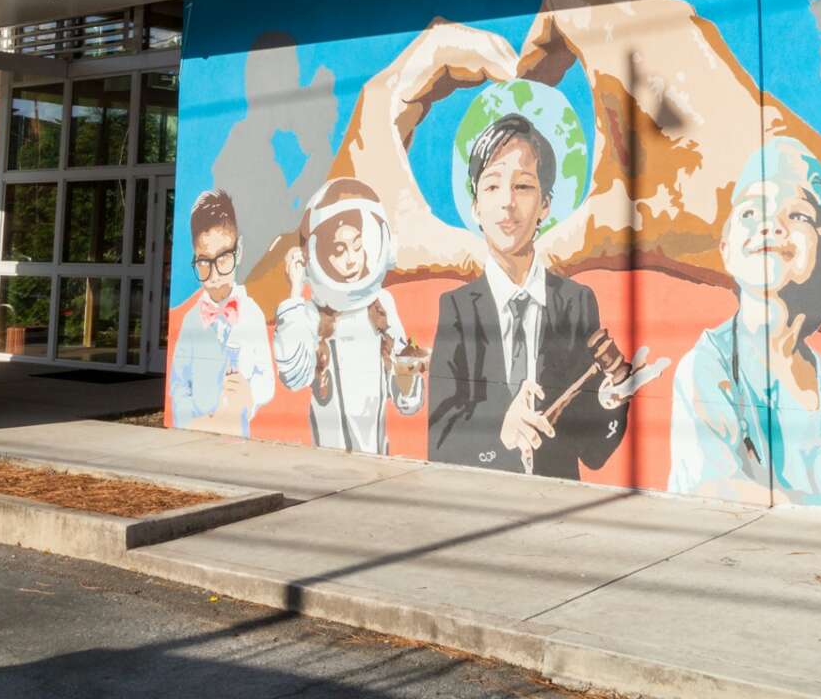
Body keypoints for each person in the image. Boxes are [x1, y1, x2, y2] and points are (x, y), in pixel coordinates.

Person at [669, 138, 821, 511]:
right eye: (750, 212)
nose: (771, 225)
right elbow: (714, 494)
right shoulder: (707, 367)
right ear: (726, 249)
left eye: (798, 215)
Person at [428, 112, 663, 477]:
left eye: (523, 186)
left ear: (545, 204)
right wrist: (500, 431)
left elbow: (594, 452)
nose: (507, 202)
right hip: (481, 498)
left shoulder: (576, 302)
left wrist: (612, 397)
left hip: (557, 501)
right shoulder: (457, 308)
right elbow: (439, 441)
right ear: (475, 207)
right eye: (491, 186)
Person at [273, 177, 427, 453]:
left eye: (357, 245)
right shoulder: (311, 315)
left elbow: (408, 402)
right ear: (318, 255)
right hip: (329, 464)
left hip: (377, 461)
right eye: (339, 250)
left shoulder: (382, 306)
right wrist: (295, 289)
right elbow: (294, 376)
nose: (352, 258)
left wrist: (410, 370)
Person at [169, 190, 274, 435]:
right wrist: (191, 421)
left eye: (223, 258)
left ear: (239, 251)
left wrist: (249, 394)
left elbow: (266, 378)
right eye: (204, 262)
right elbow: (178, 382)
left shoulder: (252, 314)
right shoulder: (191, 321)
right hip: (198, 430)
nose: (214, 274)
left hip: (238, 432)